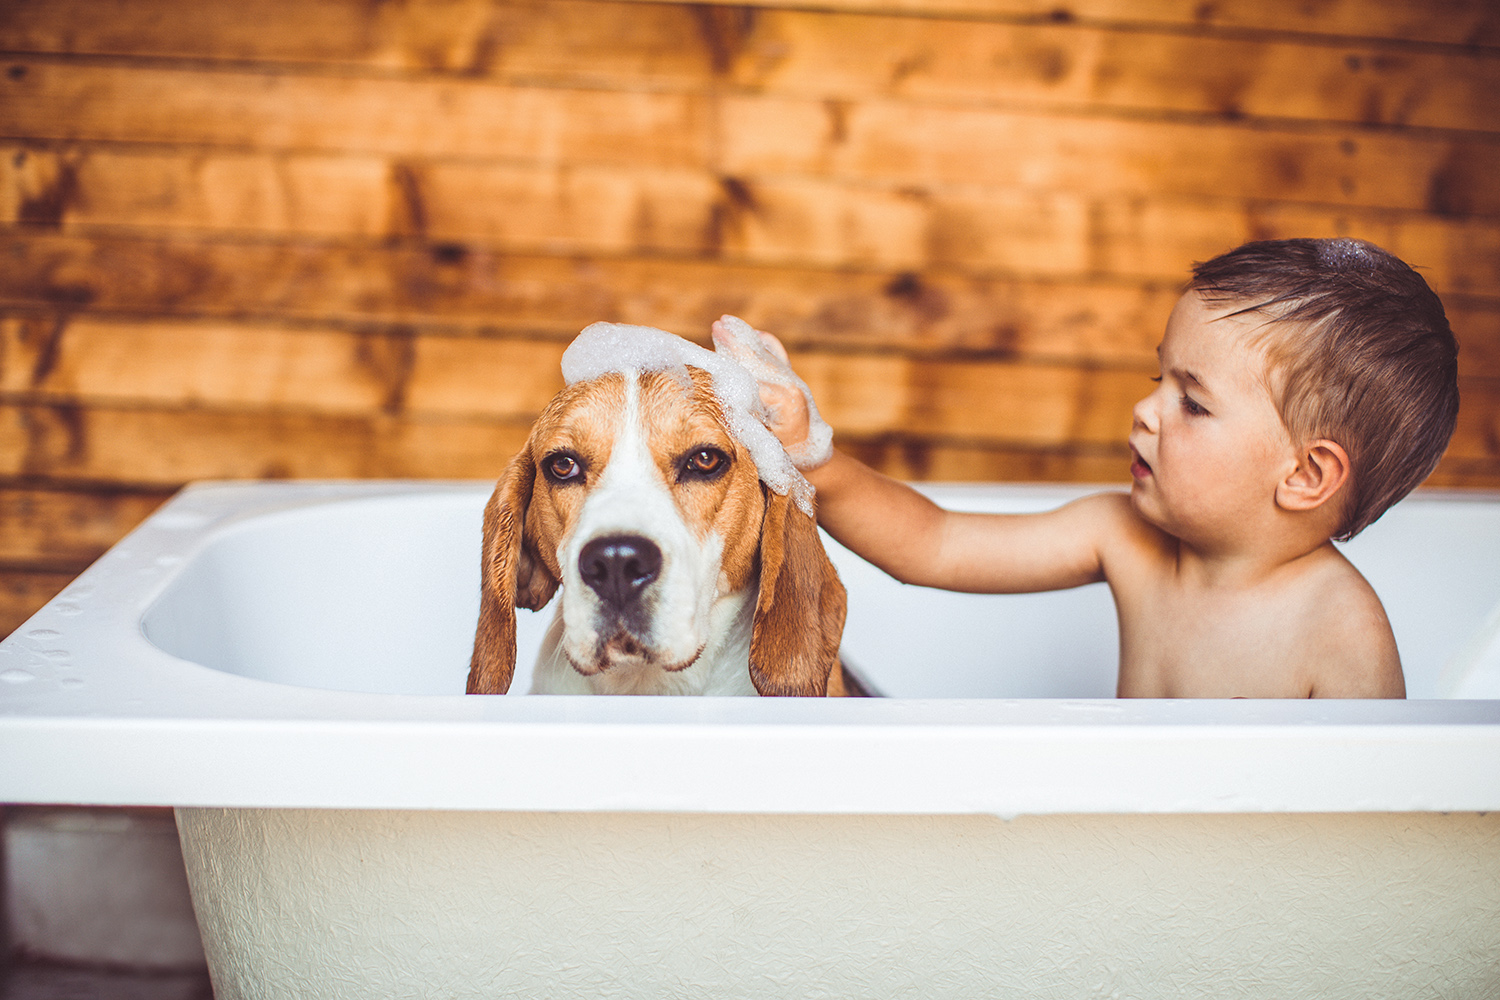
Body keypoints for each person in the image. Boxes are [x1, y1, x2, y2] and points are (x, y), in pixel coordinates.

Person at [714, 238, 1459, 698]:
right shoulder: (1124, 535)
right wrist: (819, 458)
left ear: (1304, 475)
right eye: (1159, 377)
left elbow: (1360, 832)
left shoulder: (1340, 631)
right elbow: (935, 544)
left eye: (1192, 403)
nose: (1146, 410)